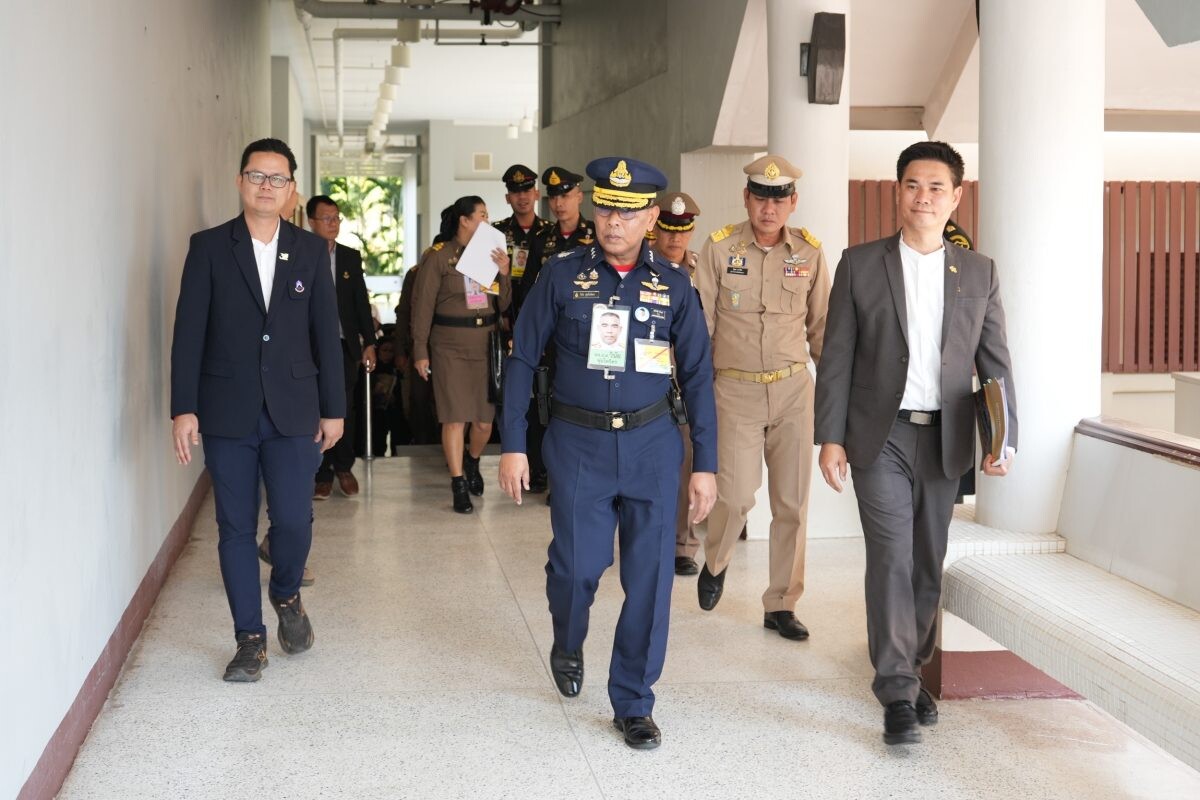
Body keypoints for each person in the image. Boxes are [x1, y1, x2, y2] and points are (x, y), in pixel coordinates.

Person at [498, 157, 718, 751]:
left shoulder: (673, 285)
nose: (613, 221)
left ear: (650, 216)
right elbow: (521, 360)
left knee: (649, 579)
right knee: (576, 569)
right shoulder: (562, 275)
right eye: (605, 208)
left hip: (651, 446)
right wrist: (514, 445)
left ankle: (634, 701)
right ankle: (568, 638)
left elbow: (697, 376)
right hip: (577, 445)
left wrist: (705, 465)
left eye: (627, 211)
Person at [814, 141, 1018, 745]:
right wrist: (831, 437)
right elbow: (837, 358)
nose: (922, 196)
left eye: (935, 187)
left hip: (948, 436)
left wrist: (1004, 437)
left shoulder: (978, 271)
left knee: (928, 561)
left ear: (955, 196)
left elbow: (996, 364)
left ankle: (917, 670)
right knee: (891, 557)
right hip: (881, 436)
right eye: (911, 185)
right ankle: (898, 689)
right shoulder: (860, 262)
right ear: (897, 192)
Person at [170, 138, 343, 682]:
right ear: (241, 182)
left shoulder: (311, 251)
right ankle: (249, 638)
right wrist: (184, 407)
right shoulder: (209, 247)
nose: (266, 186)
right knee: (234, 526)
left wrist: (334, 408)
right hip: (227, 411)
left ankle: (286, 594)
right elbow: (188, 333)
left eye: (277, 178)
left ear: (291, 189)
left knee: (293, 519)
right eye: (256, 175)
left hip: (294, 409)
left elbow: (325, 335)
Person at [692, 155, 830, 644]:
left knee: (791, 503)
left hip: (794, 390)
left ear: (792, 202)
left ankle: (782, 603)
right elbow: (700, 328)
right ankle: (716, 558)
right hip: (734, 389)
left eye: (779, 198)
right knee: (734, 495)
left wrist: (835, 407)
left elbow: (821, 332)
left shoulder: (811, 254)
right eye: (761, 197)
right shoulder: (718, 248)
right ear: (746, 198)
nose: (769, 207)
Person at [410, 196, 511, 513]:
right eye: (482, 214)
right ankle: (458, 484)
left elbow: (504, 304)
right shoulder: (439, 257)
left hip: (484, 343)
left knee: (483, 422)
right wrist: (419, 350)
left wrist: (504, 272)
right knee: (454, 418)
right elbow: (422, 307)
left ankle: (472, 461)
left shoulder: (490, 254)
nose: (487, 219)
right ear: (464, 220)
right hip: (449, 345)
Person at [304, 195, 377, 499]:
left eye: (336, 218)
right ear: (311, 222)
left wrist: (369, 343)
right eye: (326, 218)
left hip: (344, 344)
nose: (333, 224)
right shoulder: (300, 254)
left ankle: (344, 467)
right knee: (314, 408)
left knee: (344, 406)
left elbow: (360, 301)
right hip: (308, 346)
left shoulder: (349, 256)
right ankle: (321, 472)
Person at [648, 191, 705, 576]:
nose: (674, 240)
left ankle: (684, 545)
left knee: (687, 464)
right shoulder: (641, 267)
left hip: (686, 382)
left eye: (682, 232)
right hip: (649, 379)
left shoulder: (704, 271)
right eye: (668, 230)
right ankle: (650, 539)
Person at [493, 165, 555, 493]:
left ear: (536, 194)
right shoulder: (495, 234)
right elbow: (483, 285)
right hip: (508, 326)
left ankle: (542, 467)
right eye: (515, 192)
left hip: (548, 330)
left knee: (545, 396)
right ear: (508, 197)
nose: (521, 196)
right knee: (516, 396)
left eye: (526, 190)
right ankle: (521, 459)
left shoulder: (551, 232)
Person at [394, 266, 439, 445]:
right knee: (419, 398)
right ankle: (422, 440)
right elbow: (404, 313)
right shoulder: (416, 273)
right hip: (421, 345)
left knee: (447, 402)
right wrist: (399, 350)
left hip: (449, 345)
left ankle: (447, 445)